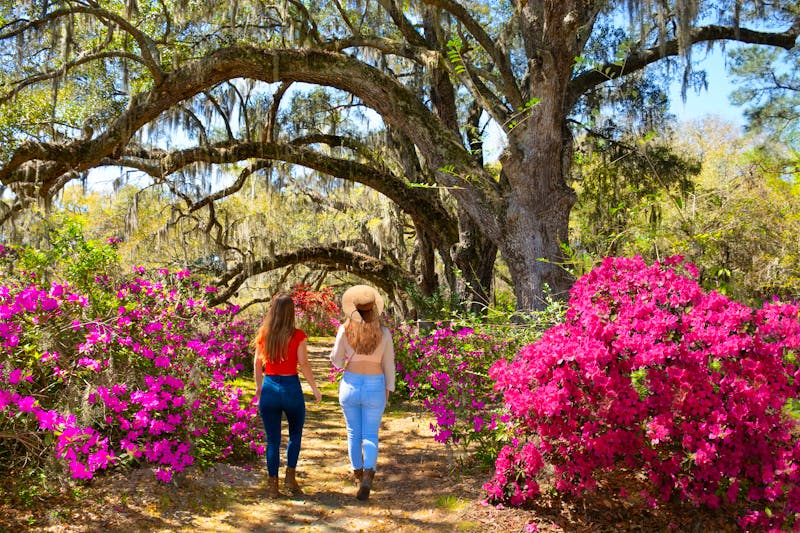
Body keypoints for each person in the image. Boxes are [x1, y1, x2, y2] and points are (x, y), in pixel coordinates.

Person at [329, 284, 396, 501]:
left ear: (355, 309)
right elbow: (389, 364)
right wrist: (389, 388)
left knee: (353, 433)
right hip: (375, 384)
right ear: (375, 309)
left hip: (350, 384)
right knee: (370, 434)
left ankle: (358, 475)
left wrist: (346, 357)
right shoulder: (384, 333)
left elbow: (337, 361)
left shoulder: (345, 329)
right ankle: (368, 475)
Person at [252, 294, 322, 498]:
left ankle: (273, 486)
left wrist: (258, 387)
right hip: (291, 387)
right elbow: (304, 364)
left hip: (270, 387)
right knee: (295, 435)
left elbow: (257, 363)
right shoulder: (298, 335)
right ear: (291, 312)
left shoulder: (264, 334)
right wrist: (315, 389)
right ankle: (290, 478)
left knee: (272, 440)